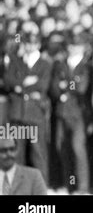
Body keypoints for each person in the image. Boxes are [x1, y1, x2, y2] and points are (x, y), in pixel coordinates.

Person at [4, 22, 52, 185]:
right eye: (27, 43)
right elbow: (9, 80)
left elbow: (43, 85)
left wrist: (21, 85)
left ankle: (41, 185)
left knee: (38, 153)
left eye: (33, 43)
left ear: (38, 44)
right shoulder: (16, 60)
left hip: (35, 114)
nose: (30, 46)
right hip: (18, 113)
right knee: (18, 153)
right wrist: (28, 84)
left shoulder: (45, 63)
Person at [50, 30, 92, 194]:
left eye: (77, 45)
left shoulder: (85, 66)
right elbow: (53, 88)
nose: (74, 48)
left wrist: (65, 86)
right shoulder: (61, 64)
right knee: (63, 147)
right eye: (72, 45)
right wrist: (68, 86)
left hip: (78, 114)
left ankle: (83, 187)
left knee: (78, 148)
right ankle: (69, 184)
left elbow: (81, 88)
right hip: (62, 112)